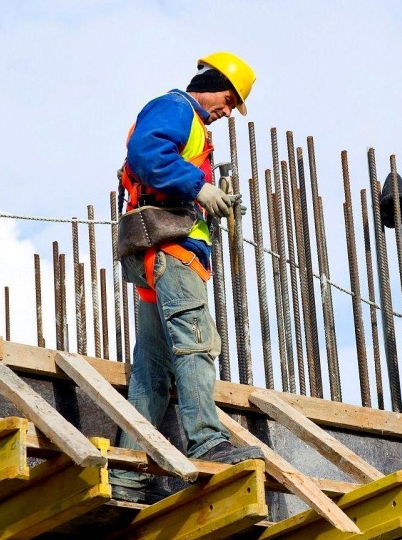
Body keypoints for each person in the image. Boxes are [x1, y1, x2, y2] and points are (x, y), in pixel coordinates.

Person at [111, 52, 264, 503]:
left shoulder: (193, 124)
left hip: (158, 253)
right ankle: (207, 440)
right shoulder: (177, 108)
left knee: (152, 372)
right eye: (229, 99)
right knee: (197, 343)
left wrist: (205, 195)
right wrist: (199, 188)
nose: (228, 111)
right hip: (171, 251)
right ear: (211, 82)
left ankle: (127, 475)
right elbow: (146, 153)